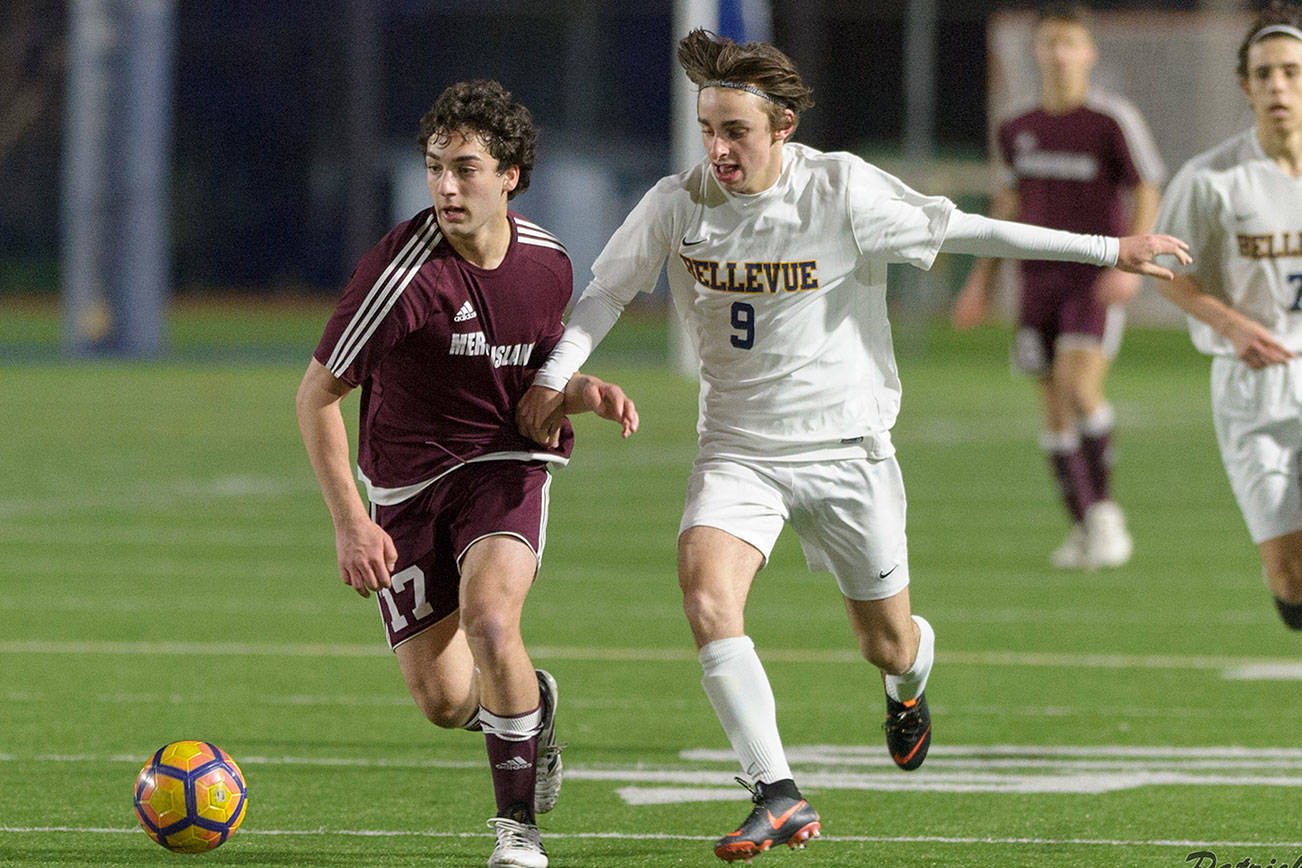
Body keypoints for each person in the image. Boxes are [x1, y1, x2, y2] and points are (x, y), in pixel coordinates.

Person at [516, 29, 1189, 864]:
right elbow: (605, 293)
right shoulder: (675, 202)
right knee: (706, 596)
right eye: (708, 130)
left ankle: (908, 682)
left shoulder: (840, 191)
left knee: (886, 643)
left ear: (784, 126)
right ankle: (776, 792)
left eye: (737, 133)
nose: (718, 150)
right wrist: (556, 375)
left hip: (848, 451)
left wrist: (1109, 248)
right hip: (738, 451)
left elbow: (972, 229)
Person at [295, 80, 637, 868]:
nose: (446, 186)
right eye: (435, 168)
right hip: (406, 489)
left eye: (467, 169)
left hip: (505, 463)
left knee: (491, 618)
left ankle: (517, 833)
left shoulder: (548, 261)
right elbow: (316, 398)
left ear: (511, 174)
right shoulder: (401, 274)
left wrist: (580, 391)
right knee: (446, 701)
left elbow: (531, 375)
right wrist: (353, 522)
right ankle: (533, 707)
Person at [952, 2, 1166, 570]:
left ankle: (1107, 516)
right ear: (1036, 51)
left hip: (1092, 278)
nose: (1060, 52)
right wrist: (980, 282)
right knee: (1052, 407)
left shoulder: (1111, 120)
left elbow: (1147, 186)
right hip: (1035, 282)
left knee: (1077, 387)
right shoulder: (1017, 128)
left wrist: (1129, 262)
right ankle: (1083, 526)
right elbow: (1007, 205)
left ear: (1089, 52)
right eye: (1050, 42)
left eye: (1071, 41)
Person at [1152, 1, 1302, 630]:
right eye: (1265, 74)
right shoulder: (1211, 179)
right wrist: (1233, 324)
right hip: (1252, 390)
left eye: (1292, 72)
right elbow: (1171, 276)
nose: (1278, 86)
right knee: (1290, 576)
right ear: (1245, 86)